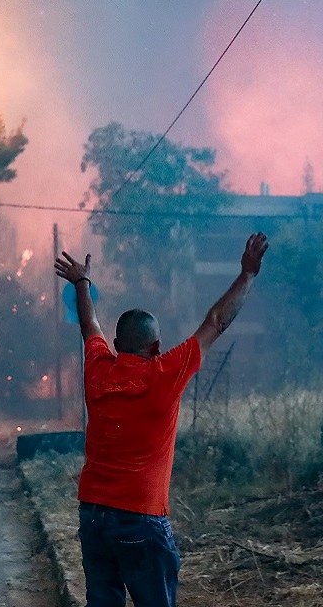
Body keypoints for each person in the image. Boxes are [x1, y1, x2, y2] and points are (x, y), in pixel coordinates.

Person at [54, 232, 269, 607]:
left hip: (93, 515)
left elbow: (90, 327)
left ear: (117, 346)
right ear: (155, 347)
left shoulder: (98, 370)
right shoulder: (164, 373)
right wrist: (247, 275)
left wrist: (82, 283)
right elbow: (216, 322)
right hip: (140, 518)